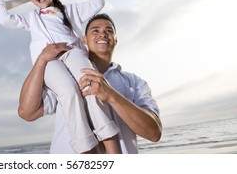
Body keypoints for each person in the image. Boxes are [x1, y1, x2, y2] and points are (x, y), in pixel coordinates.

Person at [0, 0, 120, 154]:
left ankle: (111, 146)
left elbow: (96, 3)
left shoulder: (68, 11)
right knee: (68, 91)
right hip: (50, 61)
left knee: (89, 86)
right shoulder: (31, 18)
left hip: (72, 53)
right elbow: (7, 20)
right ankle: (86, 150)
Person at [18, 13, 162, 153]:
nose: (103, 34)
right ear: (84, 40)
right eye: (95, 30)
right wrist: (41, 60)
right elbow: (27, 112)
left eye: (109, 31)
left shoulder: (134, 83)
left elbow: (154, 133)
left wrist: (111, 95)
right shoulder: (65, 76)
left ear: (116, 40)